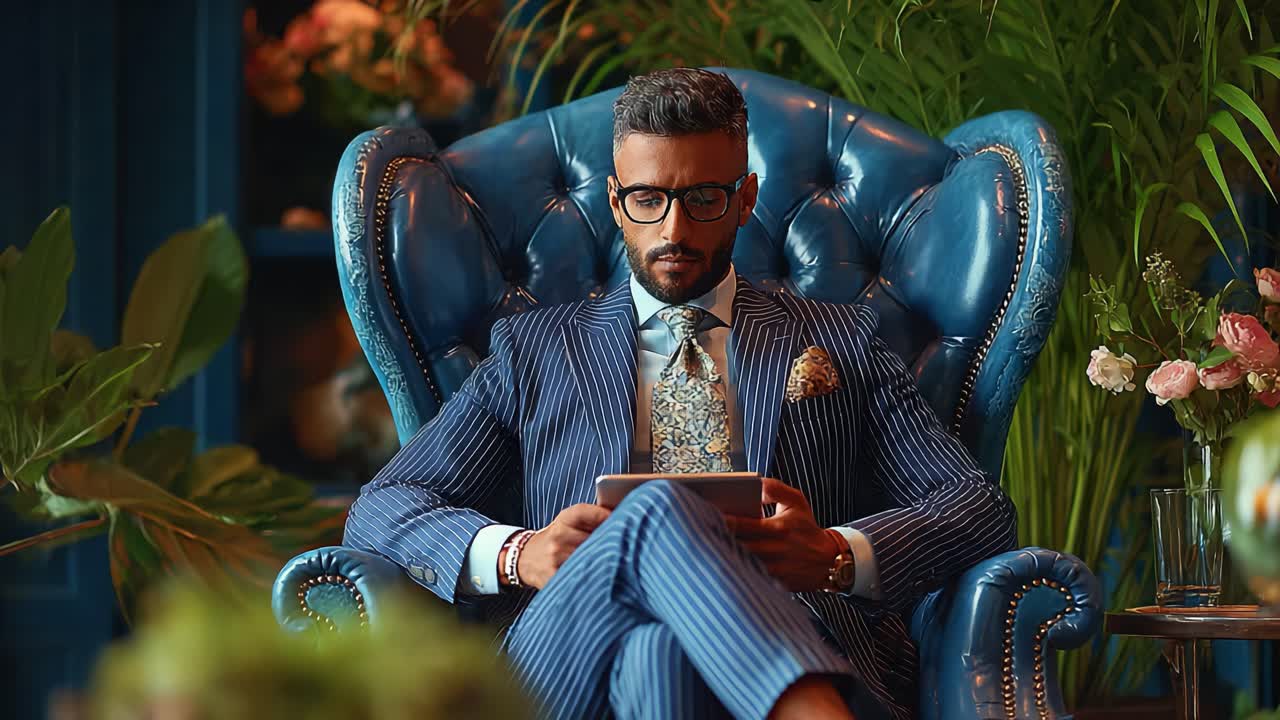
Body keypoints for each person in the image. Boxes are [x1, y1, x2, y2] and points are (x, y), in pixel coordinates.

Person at [343, 67, 1017, 720]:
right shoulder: (534, 350)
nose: (673, 231)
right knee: (661, 504)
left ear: (745, 198)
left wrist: (835, 556)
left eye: (703, 200)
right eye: (647, 199)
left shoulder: (840, 339)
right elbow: (383, 506)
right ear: (615, 201)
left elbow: (975, 505)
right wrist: (520, 553)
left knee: (660, 648)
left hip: (788, 628)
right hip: (565, 655)